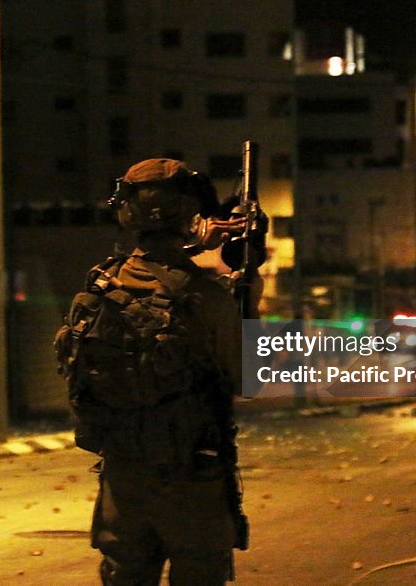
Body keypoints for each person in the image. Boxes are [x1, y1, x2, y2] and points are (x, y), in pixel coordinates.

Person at [56, 158, 246, 585]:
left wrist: (195, 248)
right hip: (192, 481)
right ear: (191, 215)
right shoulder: (207, 296)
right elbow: (244, 378)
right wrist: (239, 285)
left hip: (123, 483)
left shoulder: (98, 288)